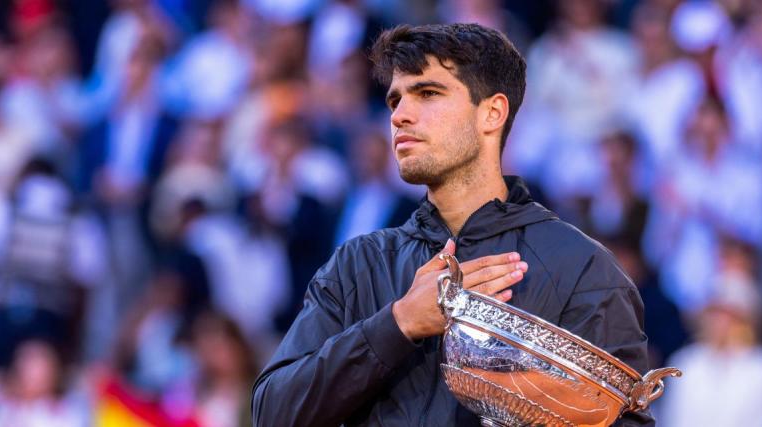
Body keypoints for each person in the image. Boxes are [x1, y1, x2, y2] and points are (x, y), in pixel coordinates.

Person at [252, 23, 651, 426]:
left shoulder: (580, 268)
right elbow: (272, 413)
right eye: (394, 101)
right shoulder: (358, 263)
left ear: (492, 113)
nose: (400, 116)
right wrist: (399, 322)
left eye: (427, 94)